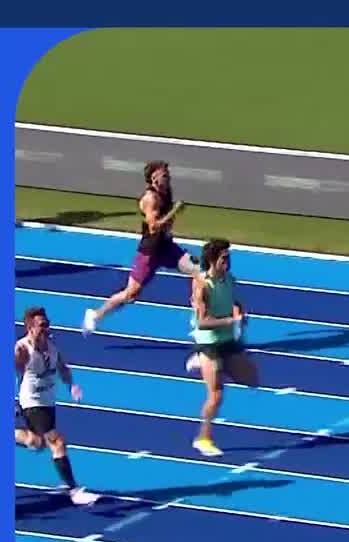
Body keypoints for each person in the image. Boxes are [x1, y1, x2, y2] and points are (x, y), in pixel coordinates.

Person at [83, 160, 202, 336]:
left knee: (199, 272)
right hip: (149, 253)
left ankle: (199, 317)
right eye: (164, 174)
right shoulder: (150, 199)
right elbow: (153, 227)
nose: (168, 176)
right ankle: (95, 315)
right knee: (130, 294)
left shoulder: (167, 191)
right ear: (154, 178)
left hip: (167, 248)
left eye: (168, 173)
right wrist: (175, 212)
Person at [15, 307, 99, 506]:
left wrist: (72, 385)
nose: (46, 329)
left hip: (48, 402)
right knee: (57, 442)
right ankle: (74, 490)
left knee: (37, 443)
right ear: (30, 327)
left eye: (47, 324)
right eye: (41, 325)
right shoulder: (22, 349)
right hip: (31, 402)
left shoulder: (52, 347)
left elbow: (62, 368)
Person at [187, 238, 258, 457]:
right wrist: (230, 321)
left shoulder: (228, 279)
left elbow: (233, 301)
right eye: (224, 258)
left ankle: (207, 364)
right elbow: (202, 321)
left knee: (252, 379)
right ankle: (203, 438)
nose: (228, 262)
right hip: (209, 341)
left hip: (228, 339)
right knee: (216, 395)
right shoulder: (201, 285)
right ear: (212, 260)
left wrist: (240, 312)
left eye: (229, 257)